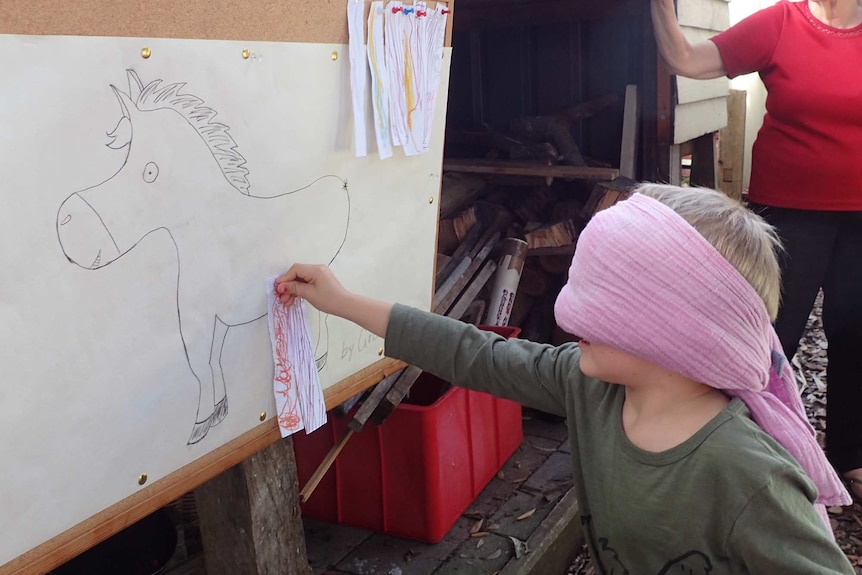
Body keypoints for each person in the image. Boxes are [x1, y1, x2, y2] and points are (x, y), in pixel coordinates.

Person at [276, 184, 853, 573]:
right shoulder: (588, 384)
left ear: (682, 331)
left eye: (607, 300)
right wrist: (344, 301)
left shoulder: (752, 477)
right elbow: (472, 353)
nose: (570, 312)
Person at [651, 0, 862, 502]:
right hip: (788, 214)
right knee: (767, 338)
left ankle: (850, 455)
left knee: (857, 332)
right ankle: (743, 452)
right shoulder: (781, 22)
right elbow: (685, 59)